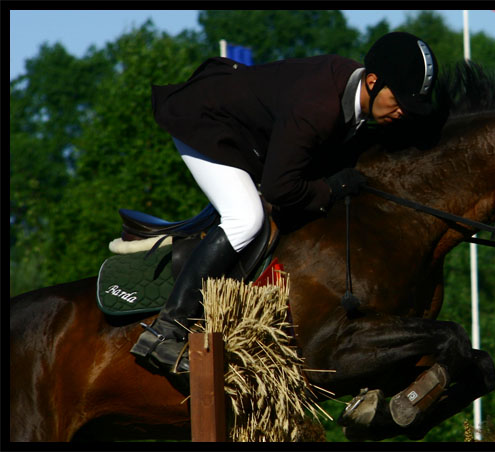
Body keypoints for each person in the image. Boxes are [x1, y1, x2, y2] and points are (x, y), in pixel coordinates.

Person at [130, 31, 439, 373]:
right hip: (204, 121)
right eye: (398, 101)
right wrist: (331, 190)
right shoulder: (317, 107)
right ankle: (165, 331)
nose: (401, 112)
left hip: (248, 133)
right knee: (246, 218)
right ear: (371, 81)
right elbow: (280, 189)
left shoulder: (351, 94)